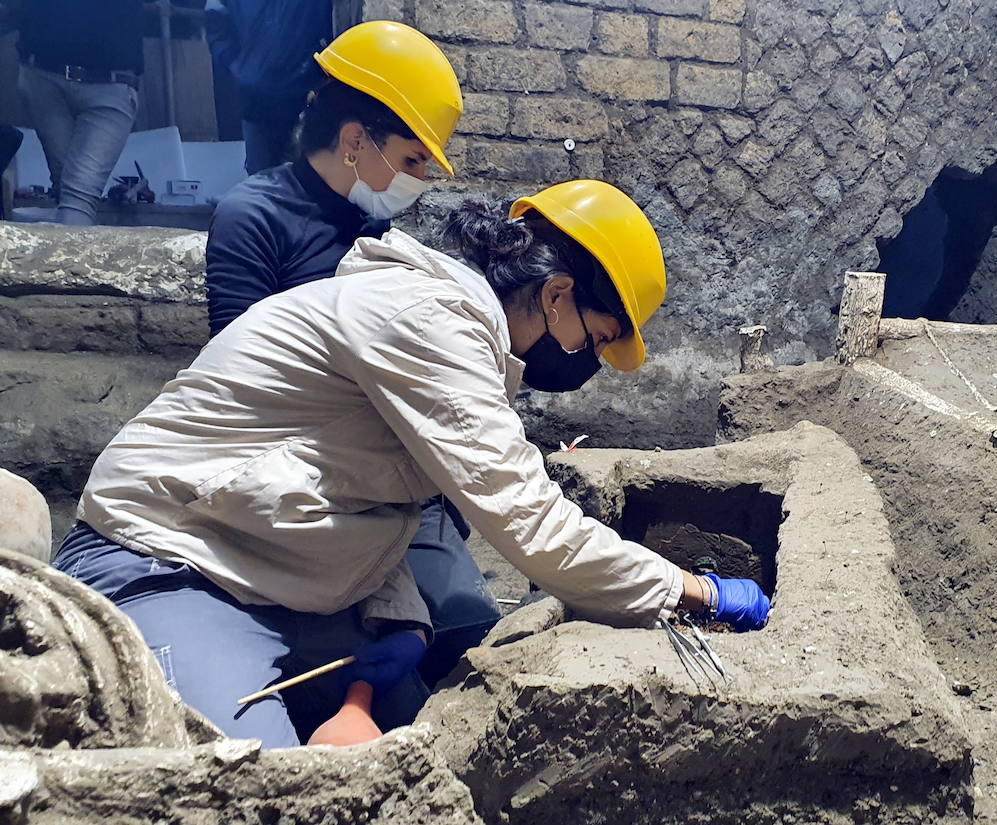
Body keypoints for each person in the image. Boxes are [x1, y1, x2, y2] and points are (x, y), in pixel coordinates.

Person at [52, 178, 773, 749]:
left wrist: (397, 618)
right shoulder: (430, 320)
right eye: (597, 337)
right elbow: (530, 520)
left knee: (431, 730)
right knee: (251, 786)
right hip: (166, 563)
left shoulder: (452, 330)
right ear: (556, 297)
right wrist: (697, 592)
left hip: (264, 569)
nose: (588, 361)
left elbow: (364, 488)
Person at [204, 20, 485, 686]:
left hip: (393, 482)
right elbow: (244, 389)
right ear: (357, 140)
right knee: (354, 674)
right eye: (413, 160)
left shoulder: (374, 223)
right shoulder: (253, 218)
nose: (418, 179)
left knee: (471, 632)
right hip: (302, 484)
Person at [13, 0, 142, 226]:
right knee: (74, 194)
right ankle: (63, 260)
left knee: (74, 193)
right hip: (53, 76)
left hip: (56, 72)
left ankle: (59, 261)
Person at [203, 0, 333, 175]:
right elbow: (215, 17)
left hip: (306, 96)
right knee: (259, 178)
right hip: (256, 98)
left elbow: (334, 22)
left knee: (306, 180)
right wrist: (236, 64)